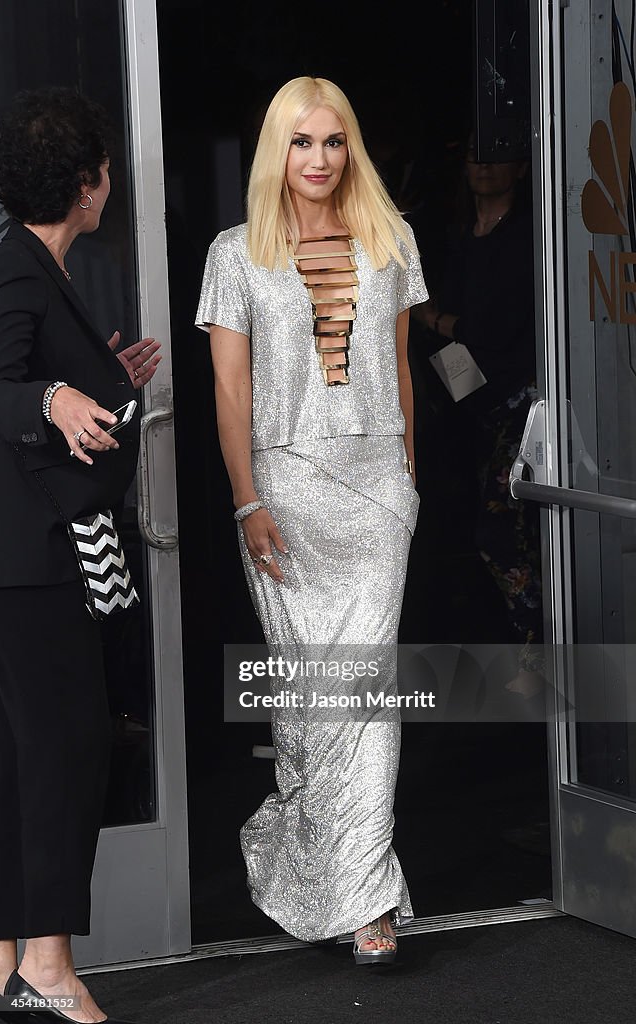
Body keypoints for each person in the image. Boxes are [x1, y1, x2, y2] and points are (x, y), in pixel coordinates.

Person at [196, 76, 428, 964]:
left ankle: (367, 897)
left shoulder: (390, 240)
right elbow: (229, 388)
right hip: (284, 492)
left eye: (334, 142)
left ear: (352, 149)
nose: (320, 159)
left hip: (375, 495)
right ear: (276, 152)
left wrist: (406, 484)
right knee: (311, 706)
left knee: (364, 702)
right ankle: (305, 861)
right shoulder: (235, 253)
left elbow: (402, 371)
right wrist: (246, 496)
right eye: (303, 143)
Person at [0, 86, 160, 1024]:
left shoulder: (32, 268)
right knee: (63, 748)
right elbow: (7, 385)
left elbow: (31, 371)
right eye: (105, 174)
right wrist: (54, 398)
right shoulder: (18, 269)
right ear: (90, 187)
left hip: (26, 559)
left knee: (18, 758)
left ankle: (9, 957)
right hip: (31, 563)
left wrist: (102, 375)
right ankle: (49, 967)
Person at [415, 133, 543, 693]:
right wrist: (445, 335)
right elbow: (445, 339)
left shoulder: (529, 238)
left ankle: (539, 657)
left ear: (520, 167)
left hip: (526, 401)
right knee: (491, 524)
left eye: (497, 155)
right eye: (475, 155)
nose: (484, 167)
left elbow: (494, 328)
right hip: (476, 401)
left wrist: (440, 322)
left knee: (503, 530)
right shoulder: (457, 237)